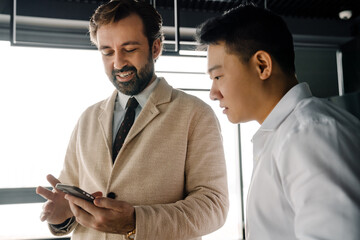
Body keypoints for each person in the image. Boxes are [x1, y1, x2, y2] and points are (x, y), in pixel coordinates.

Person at [36, 0, 229, 239]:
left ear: (155, 48)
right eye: (107, 52)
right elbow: (70, 200)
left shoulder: (195, 114)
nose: (118, 63)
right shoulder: (87, 119)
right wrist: (60, 218)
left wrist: (137, 222)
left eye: (129, 49)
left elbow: (213, 206)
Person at [196, 4, 360, 240]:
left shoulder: (308, 134)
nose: (213, 93)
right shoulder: (285, 135)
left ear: (262, 65)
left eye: (218, 76)